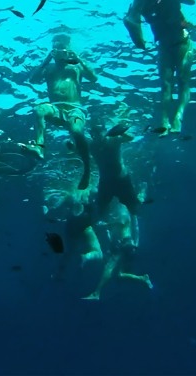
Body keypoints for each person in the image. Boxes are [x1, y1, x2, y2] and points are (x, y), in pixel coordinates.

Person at [82, 121, 153, 300]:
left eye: (100, 130)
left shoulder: (112, 140)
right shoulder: (91, 145)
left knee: (135, 208)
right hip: (105, 182)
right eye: (94, 131)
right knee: (99, 212)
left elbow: (130, 137)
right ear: (91, 133)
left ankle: (142, 196)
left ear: (104, 130)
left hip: (122, 180)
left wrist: (121, 132)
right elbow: (79, 151)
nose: (97, 134)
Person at [19, 34, 98, 190]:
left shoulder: (76, 66)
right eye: (55, 47)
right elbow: (33, 80)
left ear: (68, 48)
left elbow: (93, 78)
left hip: (75, 109)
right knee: (39, 108)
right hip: (55, 108)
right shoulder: (49, 67)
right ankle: (39, 146)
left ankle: (87, 171)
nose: (59, 50)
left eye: (62, 47)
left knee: (76, 131)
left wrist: (79, 58)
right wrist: (46, 59)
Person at [143, 0, 196, 134]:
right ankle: (165, 121)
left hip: (181, 42)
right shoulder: (148, 1)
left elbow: (191, 1)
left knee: (180, 81)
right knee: (169, 84)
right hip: (167, 45)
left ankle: (176, 118)